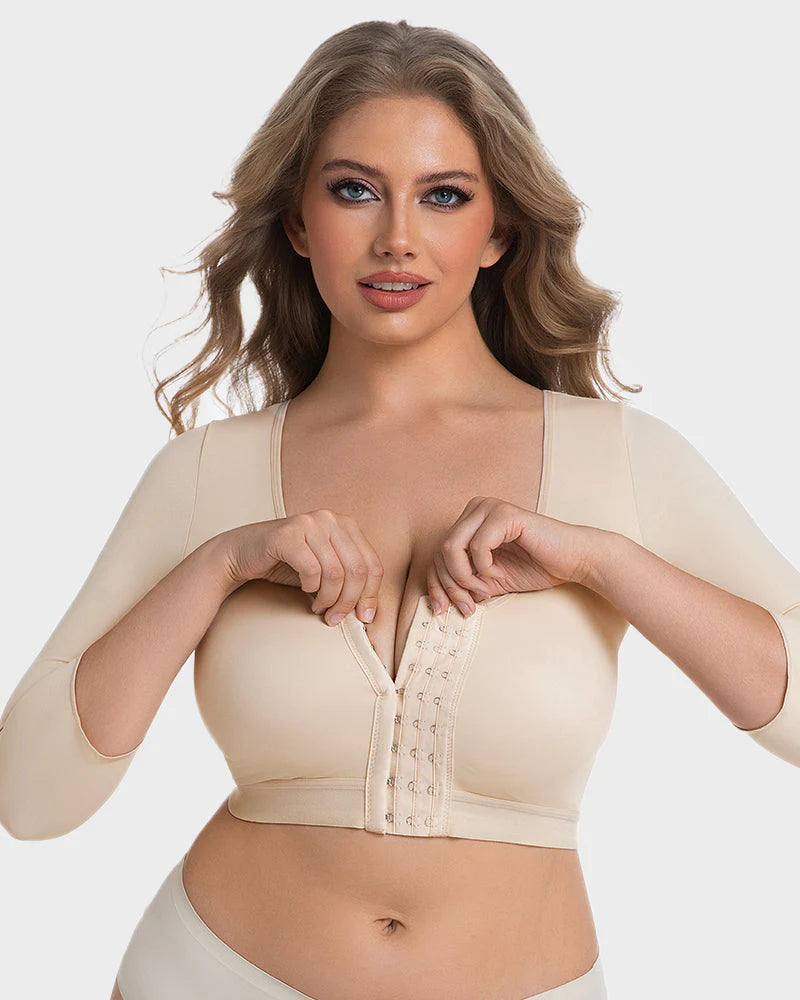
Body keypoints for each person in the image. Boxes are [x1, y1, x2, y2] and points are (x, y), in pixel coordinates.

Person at [1, 18, 798, 1000]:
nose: (396, 238)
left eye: (443, 195)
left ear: (498, 230)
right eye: (354, 190)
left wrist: (603, 561)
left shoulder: (621, 459)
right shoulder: (208, 473)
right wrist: (218, 566)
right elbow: (30, 797)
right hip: (212, 973)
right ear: (299, 221)